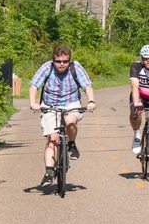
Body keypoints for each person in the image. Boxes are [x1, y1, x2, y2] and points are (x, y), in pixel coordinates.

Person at [28, 45, 97, 187]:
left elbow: (87, 86)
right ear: (53, 60)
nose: (62, 64)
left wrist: (91, 101)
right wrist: (33, 102)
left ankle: (71, 144)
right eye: (58, 61)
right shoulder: (47, 68)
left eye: (65, 61)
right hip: (50, 105)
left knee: (71, 122)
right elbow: (34, 85)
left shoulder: (75, 67)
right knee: (52, 139)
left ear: (69, 61)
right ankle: (48, 173)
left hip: (71, 103)